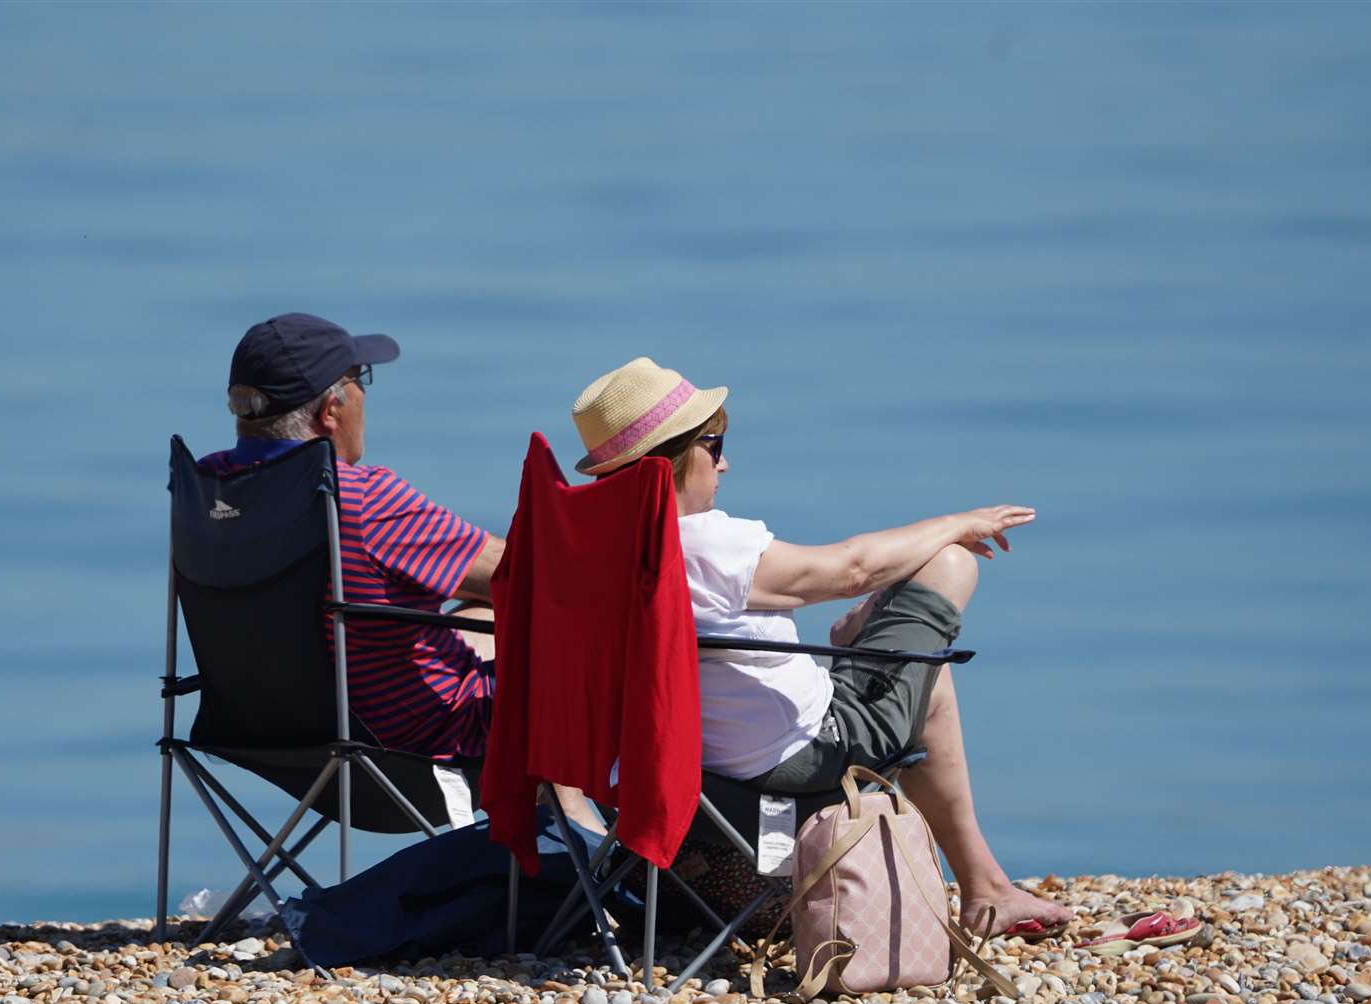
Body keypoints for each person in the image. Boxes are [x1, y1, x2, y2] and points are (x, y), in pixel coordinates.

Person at [569, 357, 1072, 935]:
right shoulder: (704, 544)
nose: (725, 461)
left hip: (657, 762)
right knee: (948, 579)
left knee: (910, 665)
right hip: (789, 759)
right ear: (677, 459)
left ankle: (985, 883)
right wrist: (959, 523)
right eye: (715, 445)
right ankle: (985, 890)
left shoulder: (591, 549)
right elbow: (850, 570)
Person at [197, 313, 502, 759]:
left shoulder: (208, 486)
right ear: (330, 411)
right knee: (571, 619)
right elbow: (528, 574)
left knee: (483, 613)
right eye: (361, 380)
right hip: (414, 748)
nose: (363, 394)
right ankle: (575, 818)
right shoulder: (361, 500)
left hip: (275, 740)